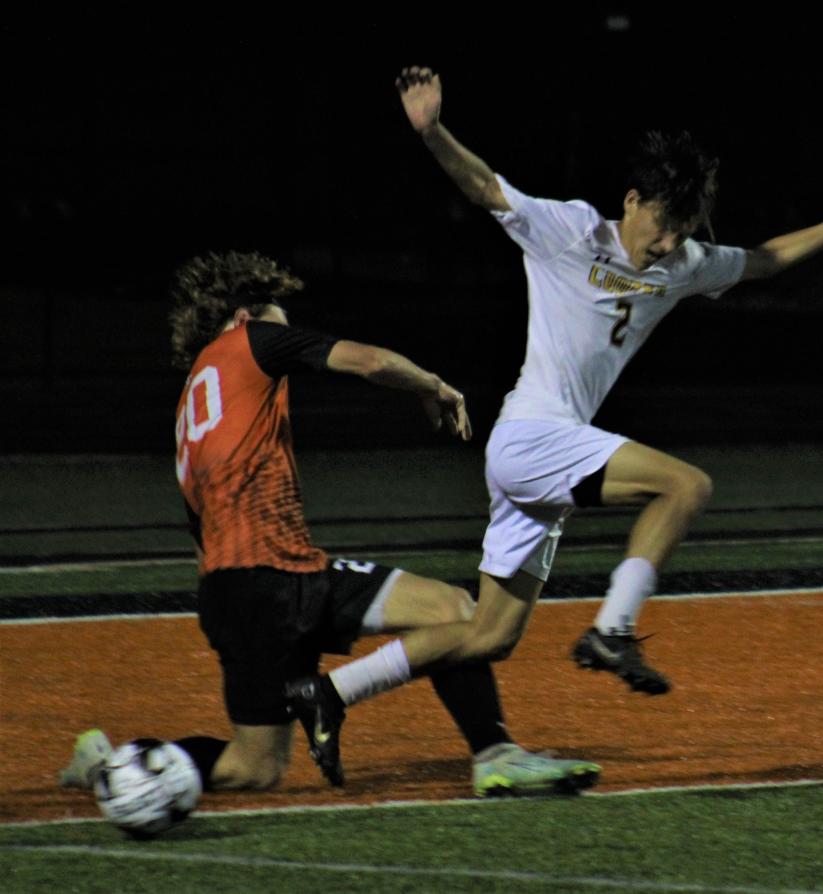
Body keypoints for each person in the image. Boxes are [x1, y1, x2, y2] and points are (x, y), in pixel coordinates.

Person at [396, 65, 823, 694]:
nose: (666, 243)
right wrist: (432, 131)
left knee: (491, 637)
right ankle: (613, 629)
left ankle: (334, 691)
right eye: (660, 224)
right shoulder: (573, 232)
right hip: (533, 433)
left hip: (545, 450)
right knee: (685, 488)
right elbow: (486, 188)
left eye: (681, 232)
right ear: (631, 200)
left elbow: (766, 260)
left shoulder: (685, 263)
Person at [60, 250, 599, 799]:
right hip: (273, 577)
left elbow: (199, 531)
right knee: (453, 615)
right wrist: (430, 385)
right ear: (246, 315)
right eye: (280, 319)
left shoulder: (190, 408)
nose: (287, 332)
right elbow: (367, 361)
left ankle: (107, 767)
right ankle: (479, 747)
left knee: (256, 765)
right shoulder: (249, 339)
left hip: (243, 590)